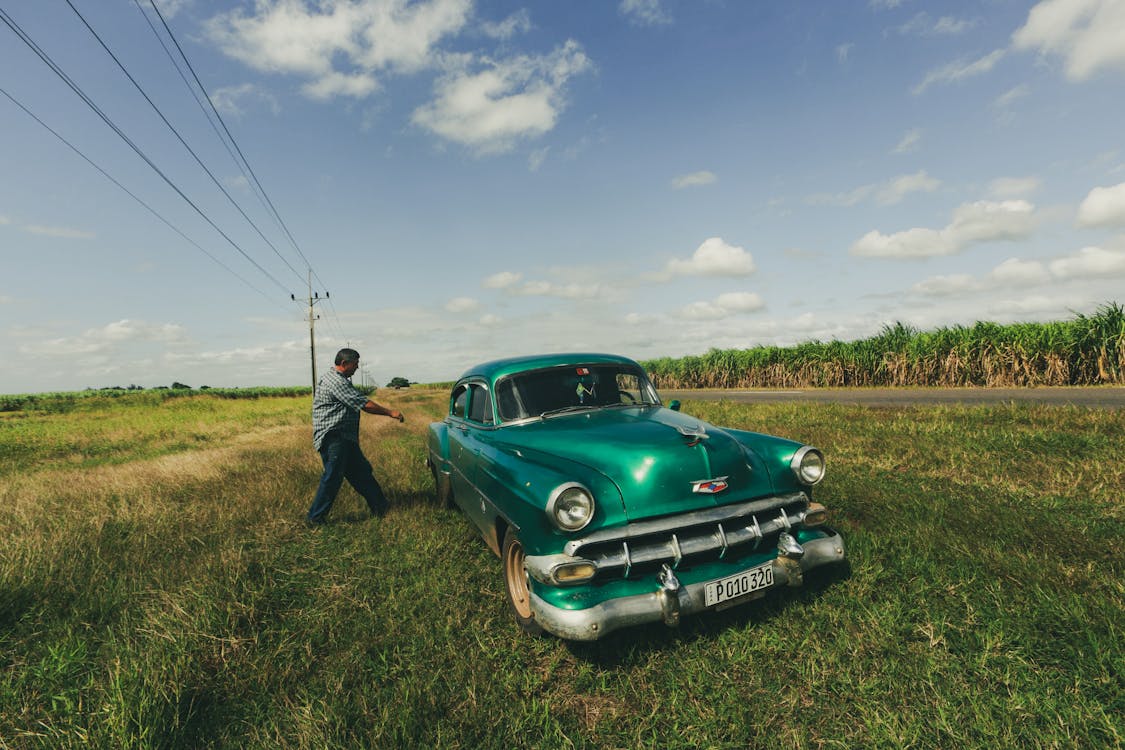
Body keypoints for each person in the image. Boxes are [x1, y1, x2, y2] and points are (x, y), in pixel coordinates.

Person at [307, 348, 404, 525]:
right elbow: (364, 404)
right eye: (355, 364)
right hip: (334, 437)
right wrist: (391, 412)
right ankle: (315, 518)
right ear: (344, 364)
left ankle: (381, 507)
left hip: (344, 437)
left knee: (361, 472)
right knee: (332, 478)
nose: (357, 368)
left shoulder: (337, 378)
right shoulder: (336, 382)